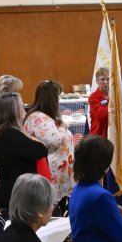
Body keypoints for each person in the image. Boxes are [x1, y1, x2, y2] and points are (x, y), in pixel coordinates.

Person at [0, 93, 48, 215]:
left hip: (14, 188)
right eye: (21, 106)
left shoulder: (4, 132)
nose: (24, 109)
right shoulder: (10, 134)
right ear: (13, 111)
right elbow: (41, 150)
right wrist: (31, 137)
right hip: (14, 192)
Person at [24, 80, 74, 210]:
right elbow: (55, 140)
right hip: (50, 174)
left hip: (58, 173)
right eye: (57, 96)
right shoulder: (38, 117)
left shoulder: (43, 116)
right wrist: (62, 127)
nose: (59, 100)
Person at [89, 67, 110, 137]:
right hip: (98, 136)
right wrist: (112, 101)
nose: (105, 82)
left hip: (112, 133)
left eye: (108, 79)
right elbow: (102, 115)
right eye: (102, 79)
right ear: (97, 81)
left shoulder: (114, 96)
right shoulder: (93, 97)